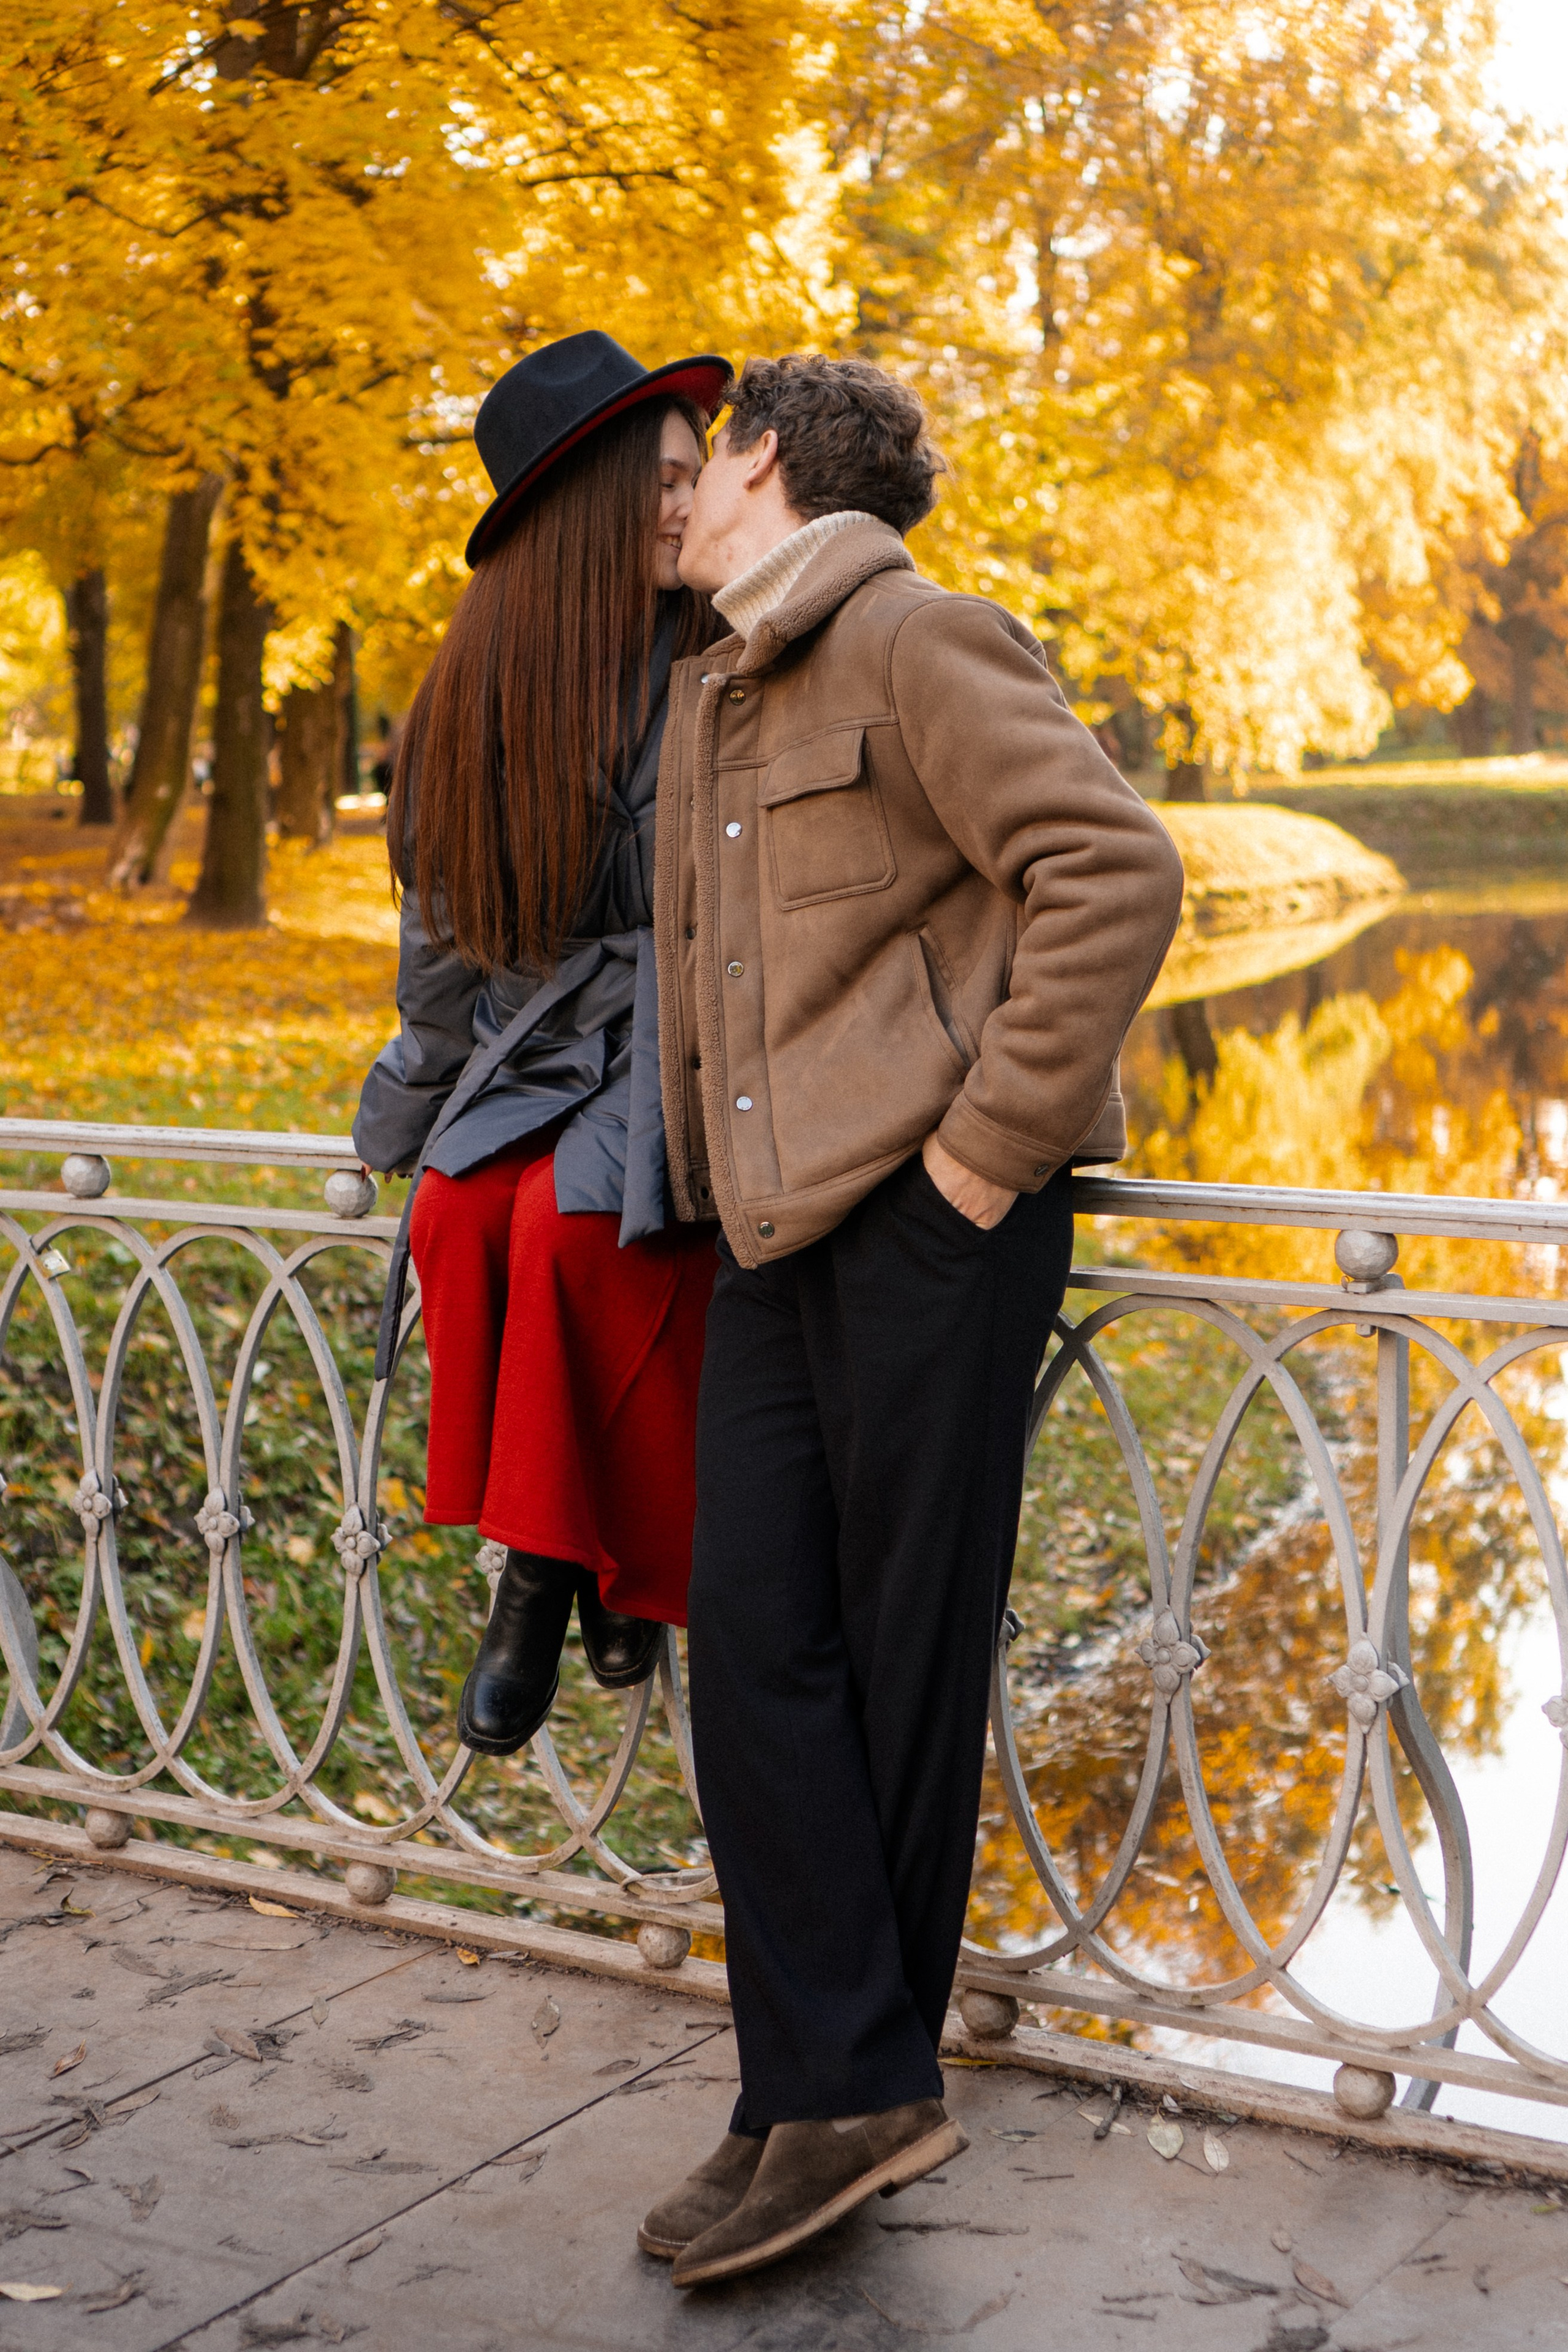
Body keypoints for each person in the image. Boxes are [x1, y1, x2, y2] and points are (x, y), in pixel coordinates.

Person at [638, 355, 1185, 2285]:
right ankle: (820, 2087)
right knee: (760, 1648)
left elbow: (1111, 871)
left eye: (698, 468)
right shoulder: (722, 686)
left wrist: (984, 1159)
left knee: (893, 1659)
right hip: (777, 1238)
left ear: (772, 461)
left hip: (934, 1219)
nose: (672, 499)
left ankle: (838, 2092)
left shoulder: (917, 640)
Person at [353, 331, 730, 1756]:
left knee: (581, 1231)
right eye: (671, 482)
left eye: (699, 478)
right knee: (457, 1213)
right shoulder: (479, 690)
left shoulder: (727, 650)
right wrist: (405, 1113)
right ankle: (580, 1562)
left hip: (691, 1031)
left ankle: (551, 1576)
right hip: (541, 1041)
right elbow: (442, 940)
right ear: (588, 505)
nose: (693, 507)